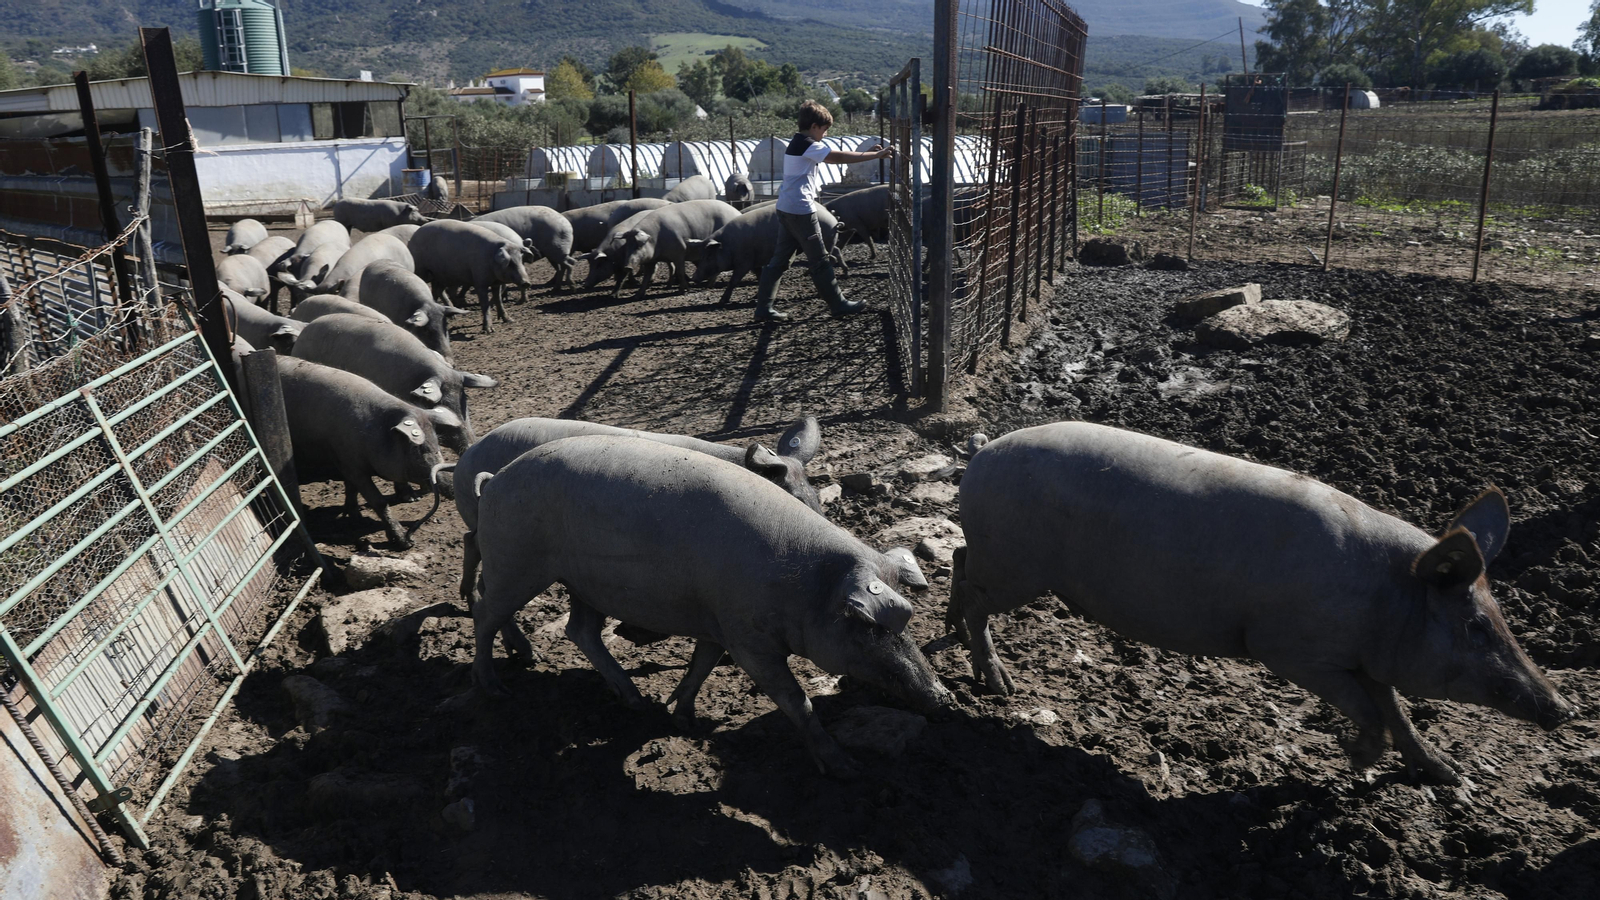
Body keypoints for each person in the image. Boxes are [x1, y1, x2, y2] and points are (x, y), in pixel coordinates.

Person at [753, 100, 894, 323]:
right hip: (800, 210)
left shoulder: (798, 142)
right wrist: (875, 156)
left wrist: (866, 153)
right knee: (819, 260)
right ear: (814, 126)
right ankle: (838, 304)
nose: (825, 135)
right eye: (825, 129)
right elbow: (836, 158)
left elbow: (833, 156)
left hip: (786, 208)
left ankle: (763, 308)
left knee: (779, 261)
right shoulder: (808, 144)